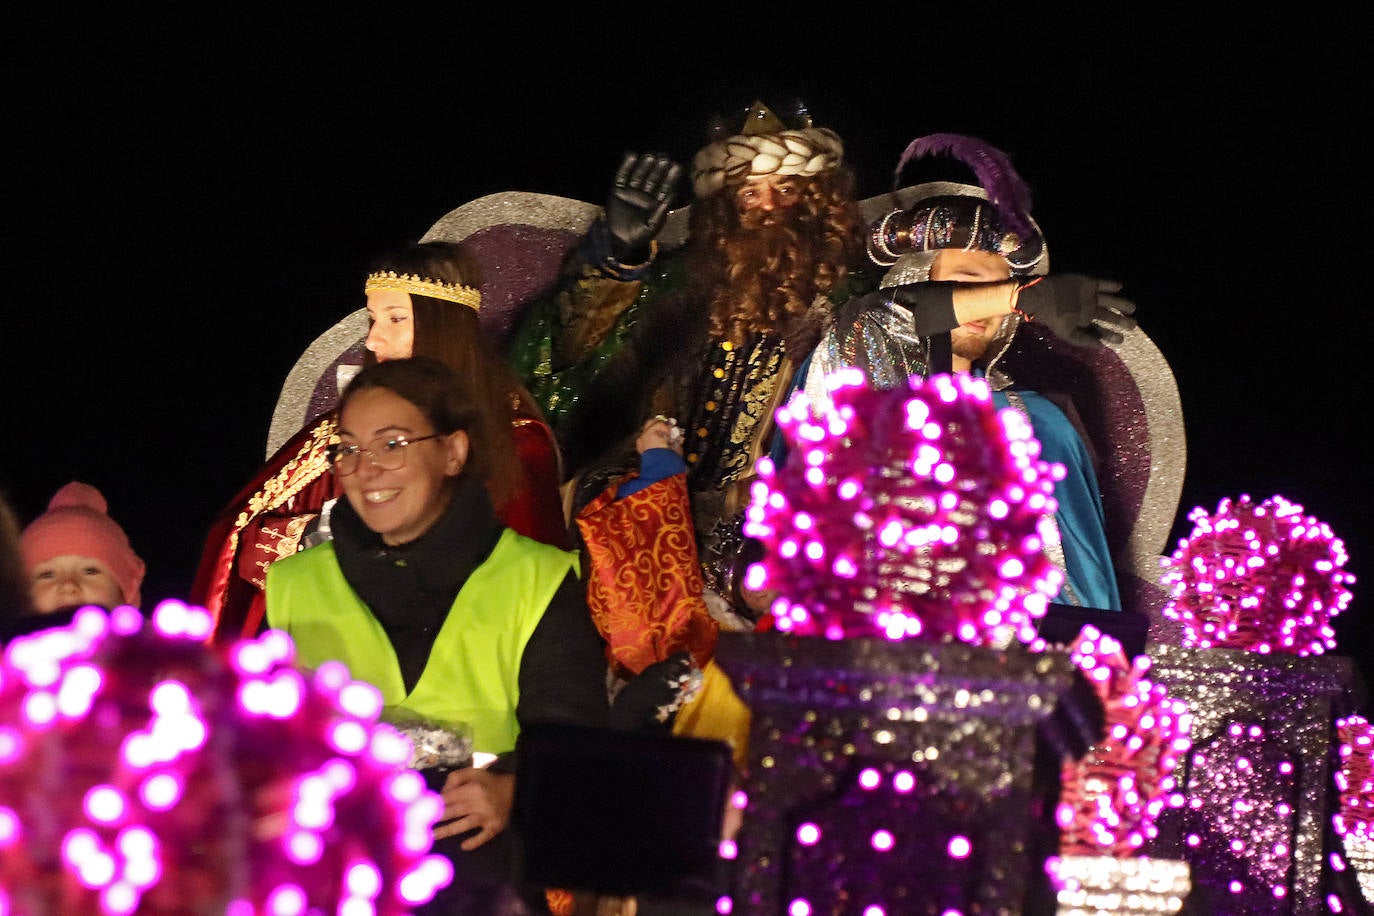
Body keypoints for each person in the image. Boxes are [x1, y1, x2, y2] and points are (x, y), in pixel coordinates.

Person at [264, 357, 607, 914]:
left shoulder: (534, 576)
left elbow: (578, 736)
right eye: (348, 449)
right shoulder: (292, 585)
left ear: (453, 451)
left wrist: (512, 787)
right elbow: (268, 747)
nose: (366, 469)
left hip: (480, 876)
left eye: (392, 444)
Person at [193, 240, 568, 646]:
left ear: (441, 326)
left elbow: (527, 590)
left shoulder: (511, 440)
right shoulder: (340, 432)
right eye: (372, 320)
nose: (373, 341)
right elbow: (243, 537)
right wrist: (310, 538)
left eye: (395, 319)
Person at [808, 133, 1125, 610]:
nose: (989, 302)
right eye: (965, 280)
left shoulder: (1035, 424)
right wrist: (1017, 294)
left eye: (1002, 288)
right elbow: (894, 313)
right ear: (915, 278)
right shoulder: (858, 346)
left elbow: (1087, 592)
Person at [19, 480, 146, 615]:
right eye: (47, 575)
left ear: (125, 593)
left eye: (90, 571)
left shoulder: (152, 635)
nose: (68, 585)